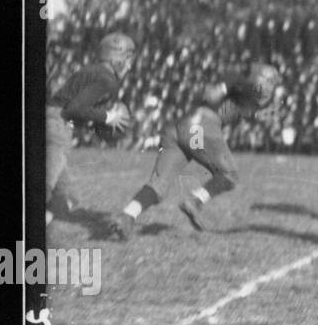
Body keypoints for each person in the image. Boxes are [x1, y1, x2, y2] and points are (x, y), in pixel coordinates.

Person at [110, 63, 281, 239]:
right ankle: (194, 201)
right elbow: (212, 96)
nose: (270, 89)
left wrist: (257, 110)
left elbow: (245, 110)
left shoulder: (247, 95)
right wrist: (228, 88)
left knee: (159, 185)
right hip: (198, 129)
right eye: (270, 83)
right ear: (262, 79)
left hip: (177, 130)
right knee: (229, 176)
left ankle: (127, 215)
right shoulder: (238, 81)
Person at [46, 32, 135, 226]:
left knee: (65, 198)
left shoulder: (91, 70)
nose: (129, 65)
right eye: (127, 59)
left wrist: (98, 122)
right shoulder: (108, 80)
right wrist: (109, 117)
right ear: (117, 58)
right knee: (45, 186)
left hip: (52, 119)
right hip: (59, 125)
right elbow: (75, 109)